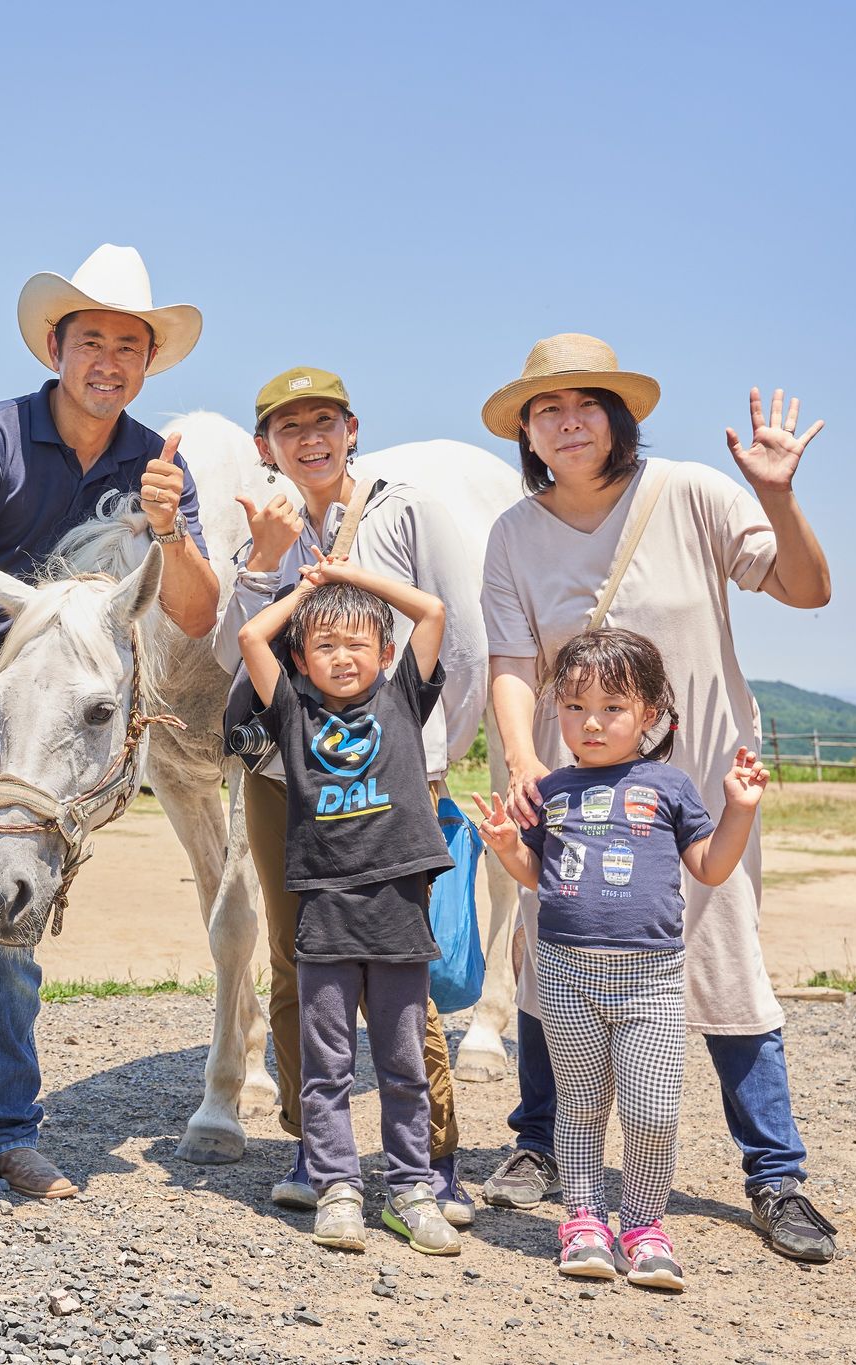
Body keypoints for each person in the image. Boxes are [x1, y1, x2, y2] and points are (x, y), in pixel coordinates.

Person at [474, 333, 839, 1264]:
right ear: (527, 431)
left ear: (618, 415)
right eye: (545, 409)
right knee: (550, 939)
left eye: (585, 403)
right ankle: (538, 1141)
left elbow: (806, 590)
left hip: (696, 782)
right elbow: (514, 661)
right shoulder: (514, 534)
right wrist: (521, 760)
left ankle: (775, 1172)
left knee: (725, 950)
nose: (567, 421)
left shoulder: (689, 493)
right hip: (571, 789)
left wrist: (778, 495)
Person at [0, 245, 217, 1199]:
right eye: (89, 339)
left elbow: (193, 612)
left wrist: (172, 529)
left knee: (6, 915)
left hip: (47, 713)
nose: (108, 359)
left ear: (148, 362)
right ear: (55, 345)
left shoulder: (159, 467)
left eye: (128, 345)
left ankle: (6, 1126)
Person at [213, 367, 483, 1225]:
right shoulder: (255, 520)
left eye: (324, 421)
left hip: (391, 769)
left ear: (352, 427)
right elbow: (234, 651)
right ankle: (312, 1144)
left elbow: (454, 632)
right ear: (267, 447)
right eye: (290, 428)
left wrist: (431, 753)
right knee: (296, 956)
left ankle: (432, 1157)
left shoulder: (403, 508)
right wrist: (266, 558)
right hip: (279, 769)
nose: (310, 439)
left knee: (409, 965)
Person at [476, 628, 771, 1290]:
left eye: (613, 706)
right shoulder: (550, 789)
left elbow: (712, 866)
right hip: (565, 972)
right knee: (580, 1106)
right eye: (575, 707)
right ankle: (583, 1220)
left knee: (653, 1108)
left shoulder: (669, 785)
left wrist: (740, 811)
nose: (592, 722)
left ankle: (642, 1226)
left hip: (650, 982)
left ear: (651, 713)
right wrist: (505, 846)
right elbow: (537, 876)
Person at [234, 561, 461, 1256]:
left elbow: (431, 610)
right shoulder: (293, 714)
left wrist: (350, 577)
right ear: (300, 660)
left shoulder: (400, 700)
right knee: (328, 1064)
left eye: (359, 642)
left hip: (397, 909)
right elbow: (249, 636)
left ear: (385, 655)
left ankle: (411, 1190)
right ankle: (337, 1186)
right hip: (325, 914)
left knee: (401, 1064)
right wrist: (306, 595)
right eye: (324, 645)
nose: (342, 656)